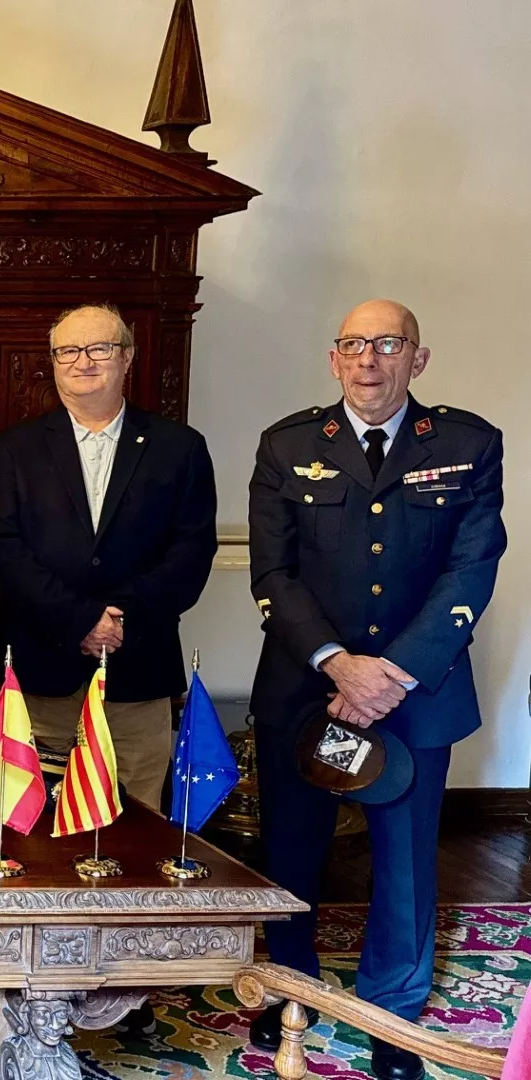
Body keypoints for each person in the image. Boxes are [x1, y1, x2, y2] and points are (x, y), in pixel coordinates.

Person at [246, 300, 504, 1080]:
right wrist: (338, 664)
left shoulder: (468, 444)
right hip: (307, 687)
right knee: (291, 851)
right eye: (354, 345)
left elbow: (472, 568)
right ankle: (290, 990)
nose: (369, 360)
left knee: (404, 860)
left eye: (387, 345)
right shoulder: (288, 445)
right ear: (335, 359)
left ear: (416, 360)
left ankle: (394, 1018)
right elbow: (273, 573)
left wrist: (389, 675)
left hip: (415, 694)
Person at [0, 302, 217, 810]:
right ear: (52, 361)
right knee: (36, 823)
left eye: (98, 348)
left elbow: (191, 552)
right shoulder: (16, 449)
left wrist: (116, 619)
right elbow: (4, 550)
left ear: (127, 357)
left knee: (139, 826)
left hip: (139, 671)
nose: (82, 361)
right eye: (68, 350)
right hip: (45, 674)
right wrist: (81, 620)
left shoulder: (179, 447)